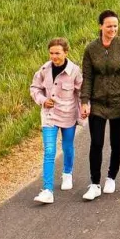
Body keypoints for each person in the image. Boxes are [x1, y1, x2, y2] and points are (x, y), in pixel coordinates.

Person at [80, 10, 120, 201]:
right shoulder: (91, 49)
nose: (112, 29)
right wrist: (84, 101)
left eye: (115, 25)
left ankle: (111, 176)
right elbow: (87, 77)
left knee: (116, 141)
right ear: (100, 26)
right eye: (109, 26)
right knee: (96, 142)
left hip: (118, 102)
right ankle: (94, 183)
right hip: (97, 103)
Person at [29, 37, 83, 203]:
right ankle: (47, 190)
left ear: (66, 53)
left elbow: (81, 93)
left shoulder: (74, 71)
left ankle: (67, 172)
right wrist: (43, 100)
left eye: (58, 53)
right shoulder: (44, 69)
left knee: (67, 147)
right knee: (50, 151)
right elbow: (35, 88)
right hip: (49, 116)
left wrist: (83, 113)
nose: (54, 56)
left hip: (68, 115)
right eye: (51, 53)